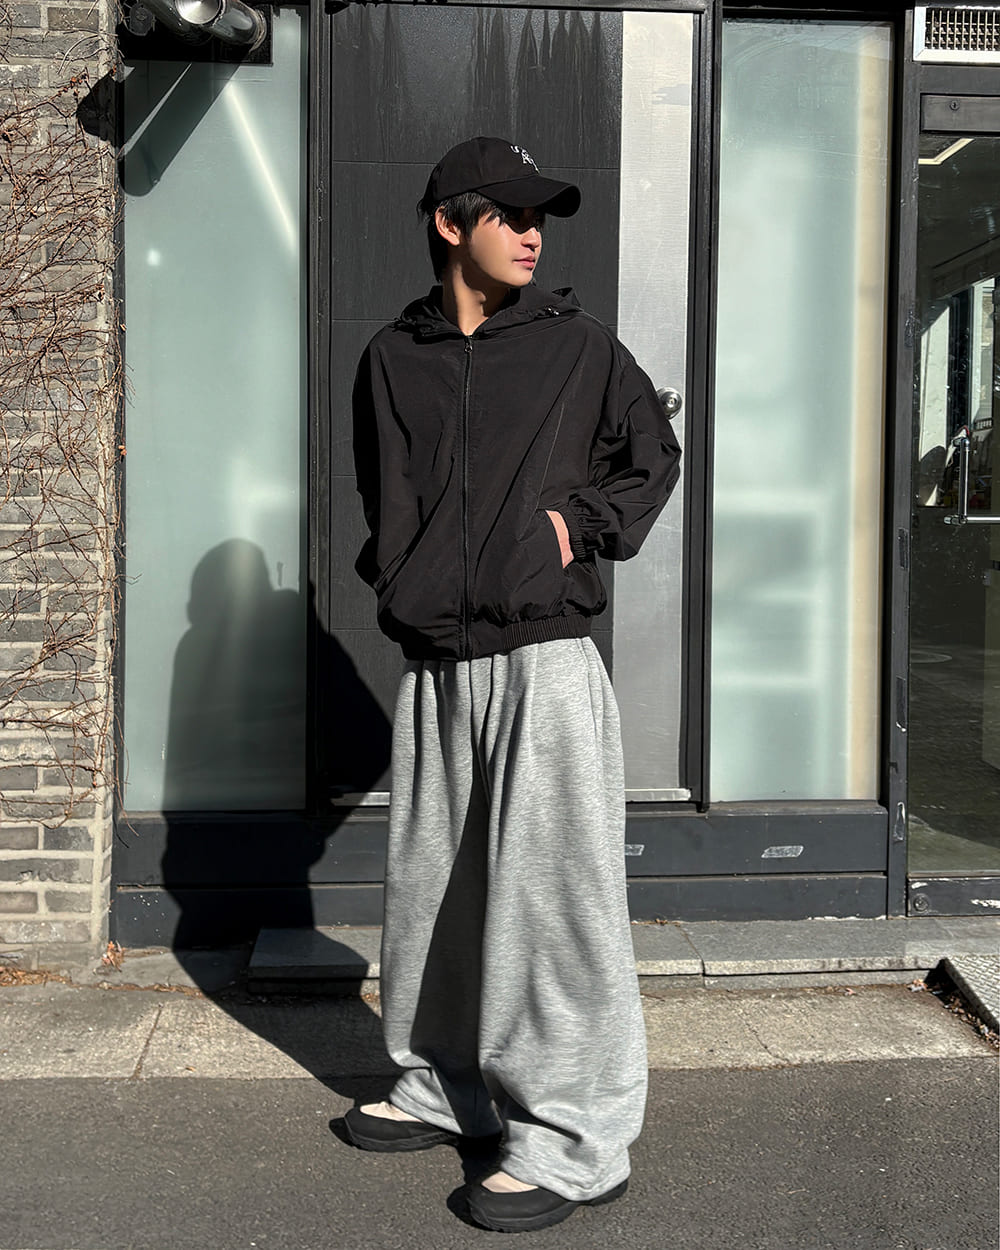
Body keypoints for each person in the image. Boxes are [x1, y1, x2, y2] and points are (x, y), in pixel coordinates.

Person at [345, 135, 681, 1234]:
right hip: (437, 663)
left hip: (543, 658)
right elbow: (384, 493)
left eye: (542, 218)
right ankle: (446, 1082)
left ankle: (575, 1139)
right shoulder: (392, 359)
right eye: (513, 214)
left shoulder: (578, 347)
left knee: (553, 907)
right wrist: (403, 574)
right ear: (452, 223)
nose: (534, 234)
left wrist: (574, 527)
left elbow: (652, 457)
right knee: (433, 893)